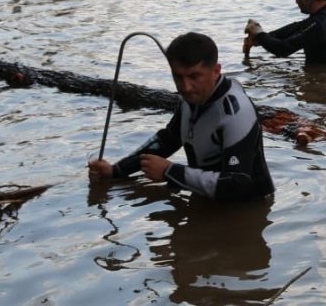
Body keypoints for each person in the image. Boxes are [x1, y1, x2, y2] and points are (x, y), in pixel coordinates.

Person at [87, 32, 274, 201]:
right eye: (178, 77)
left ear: (216, 71)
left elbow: (239, 183)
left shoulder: (235, 112)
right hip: (209, 200)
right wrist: (115, 170)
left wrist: (170, 172)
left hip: (247, 207)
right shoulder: (193, 98)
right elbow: (168, 139)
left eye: (194, 76)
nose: (185, 87)